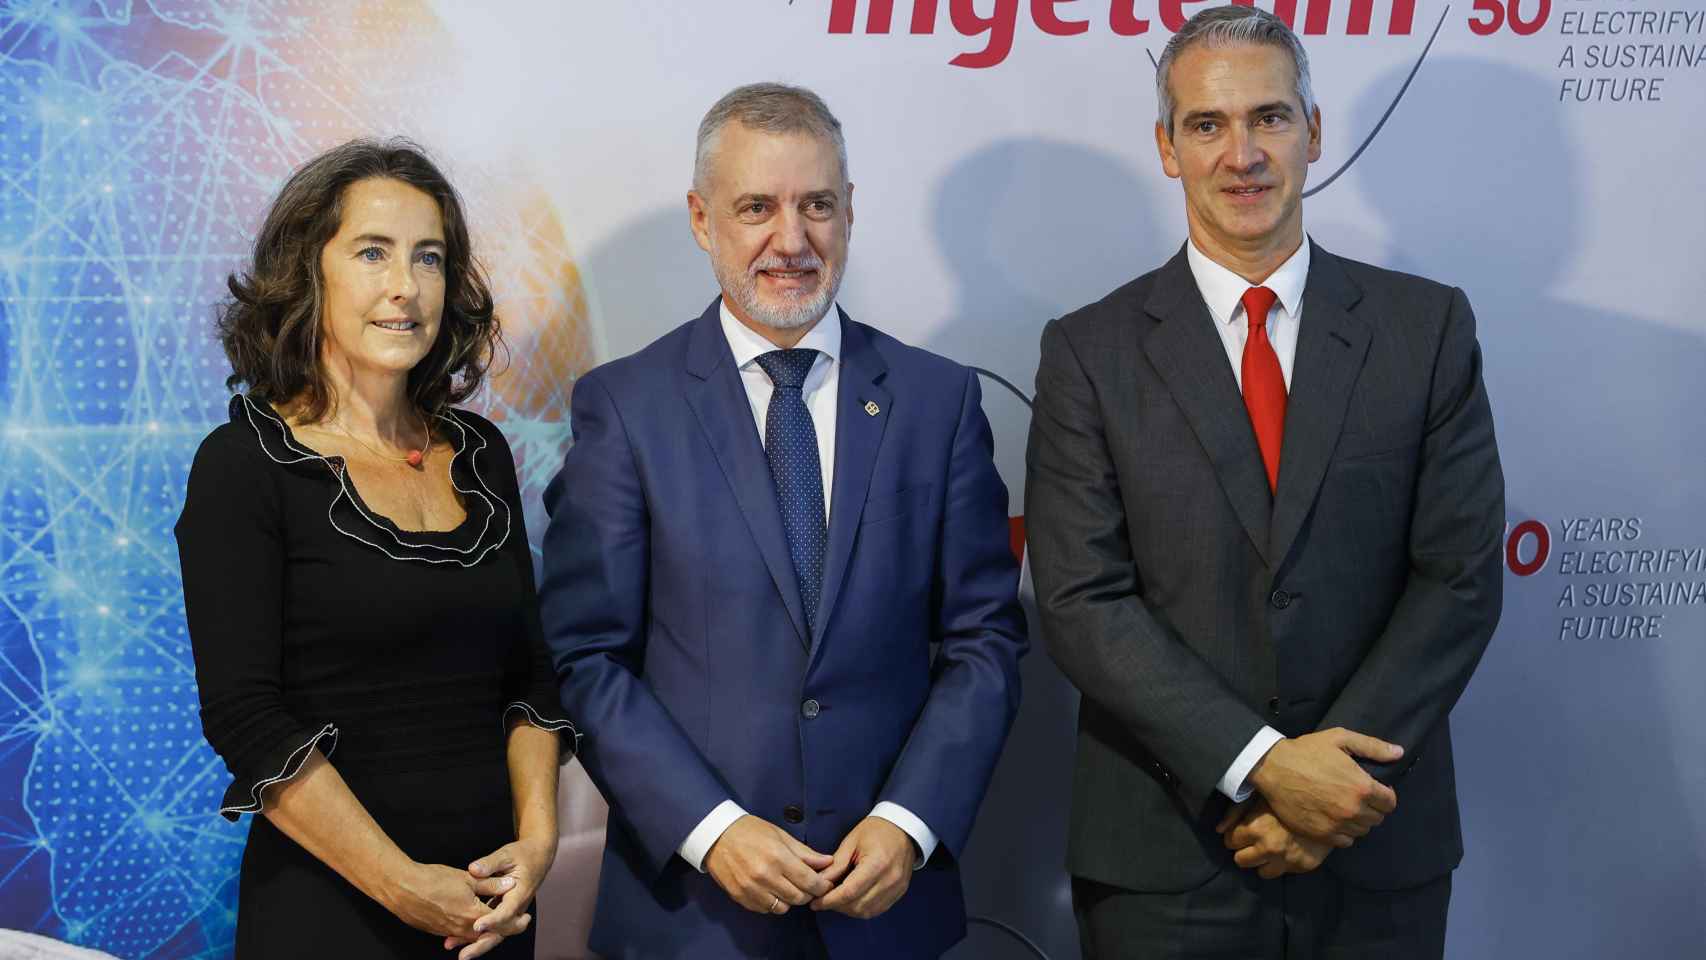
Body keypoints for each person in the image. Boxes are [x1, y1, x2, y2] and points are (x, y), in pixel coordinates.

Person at [1025, 6, 1505, 958]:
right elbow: (1082, 600)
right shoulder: (1088, 351)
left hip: (1375, 847)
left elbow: (1457, 579)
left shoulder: (1427, 329)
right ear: (1168, 148)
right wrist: (1264, 767)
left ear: (1314, 133)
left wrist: (1330, 794)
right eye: (1207, 125)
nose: (1241, 153)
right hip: (1168, 858)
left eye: (1270, 118)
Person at [538, 83, 1027, 959]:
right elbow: (586, 656)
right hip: (691, 920)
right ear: (701, 218)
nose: (791, 240)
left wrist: (910, 821)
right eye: (756, 207)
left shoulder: (937, 400)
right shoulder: (625, 407)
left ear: (850, 213)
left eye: (818, 206)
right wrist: (712, 827)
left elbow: (985, 638)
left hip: (888, 910)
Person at [176, 139, 575, 958]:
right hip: (332, 915)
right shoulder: (243, 466)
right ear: (306, 270)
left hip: (490, 914)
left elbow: (531, 675)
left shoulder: (483, 452)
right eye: (372, 252)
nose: (406, 287)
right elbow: (248, 720)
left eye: (429, 258)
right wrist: (402, 884)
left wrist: (538, 843)